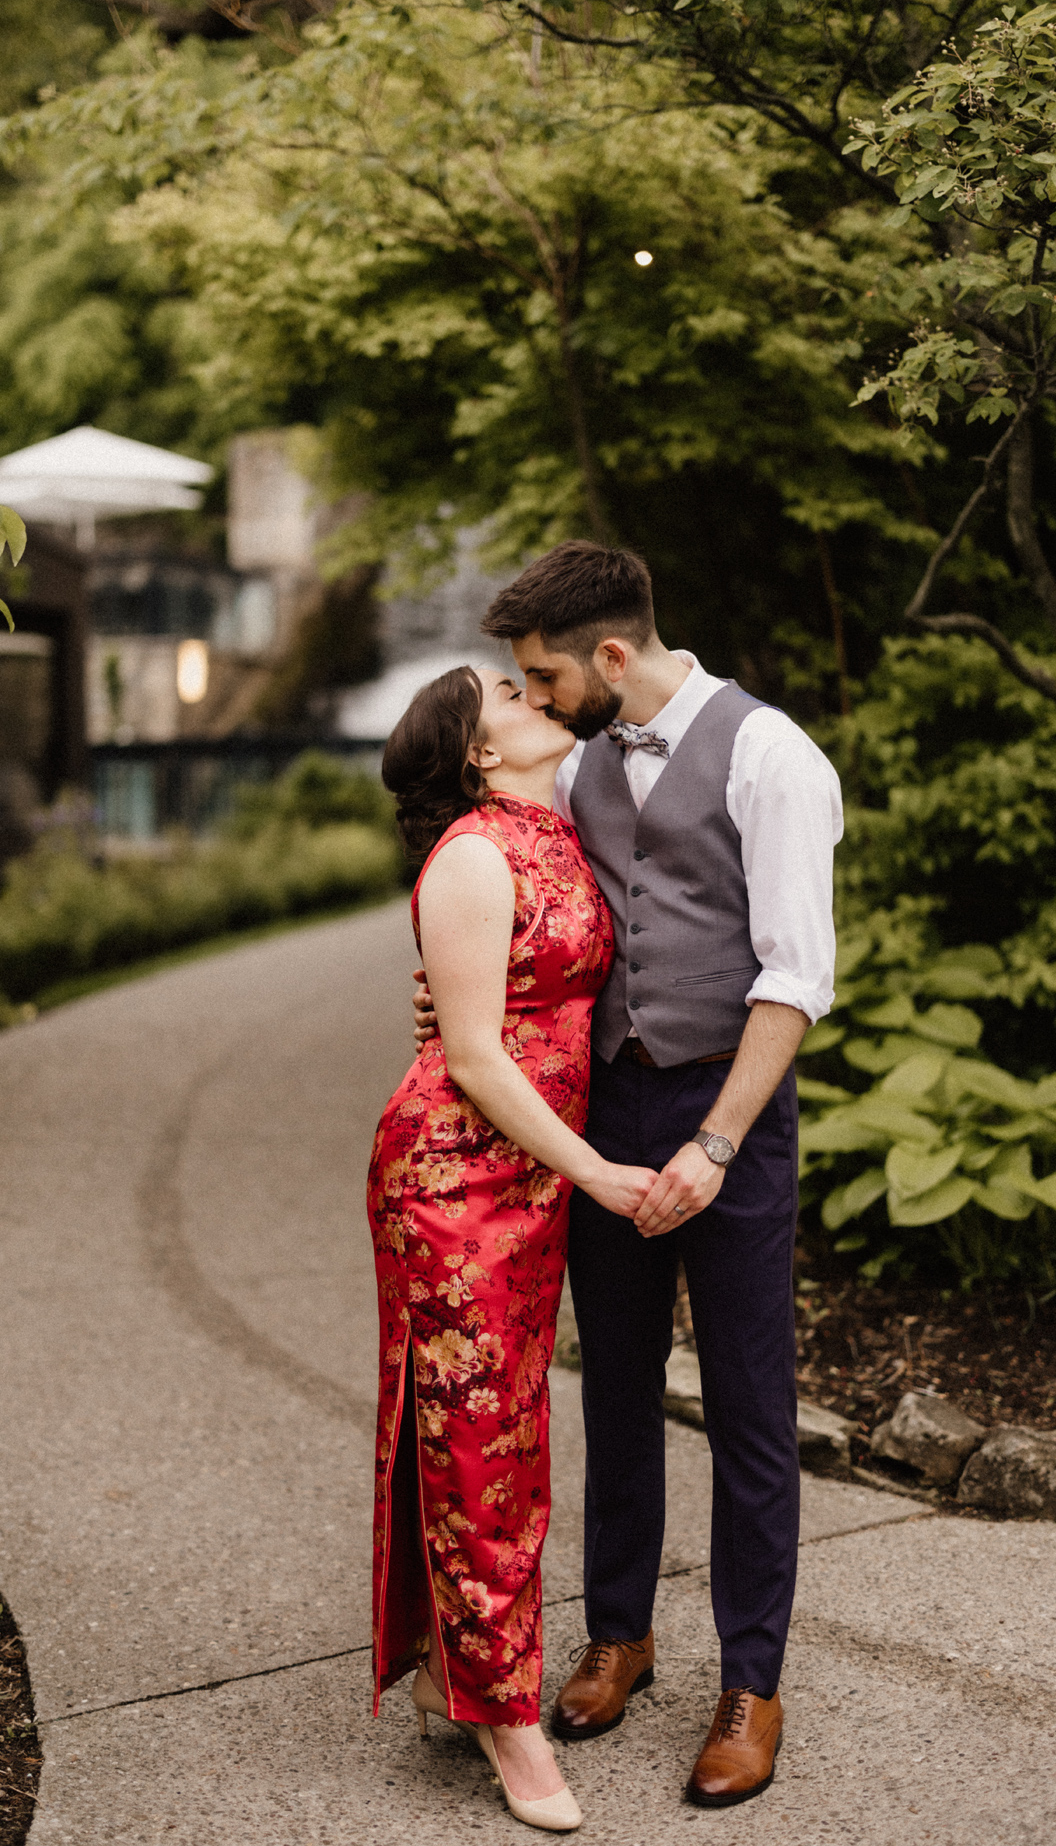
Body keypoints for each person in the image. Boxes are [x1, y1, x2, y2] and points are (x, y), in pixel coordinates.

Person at [418, 540, 842, 1808]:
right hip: (603, 1107)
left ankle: (751, 1680)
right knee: (612, 1388)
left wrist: (714, 1141)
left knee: (752, 1406)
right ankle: (620, 1636)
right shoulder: (574, 760)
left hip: (734, 1107)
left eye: (543, 677)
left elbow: (795, 976)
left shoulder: (776, 757)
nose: (532, 701)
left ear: (612, 655)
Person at [368, 666, 657, 1834]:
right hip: (455, 1174)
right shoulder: (477, 854)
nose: (530, 688)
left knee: (501, 1424)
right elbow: (477, 1059)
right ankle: (505, 1713)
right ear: (477, 753)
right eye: (501, 690)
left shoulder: (557, 819)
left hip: (530, 1174)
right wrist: (595, 1171)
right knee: (483, 1434)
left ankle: (454, 1658)